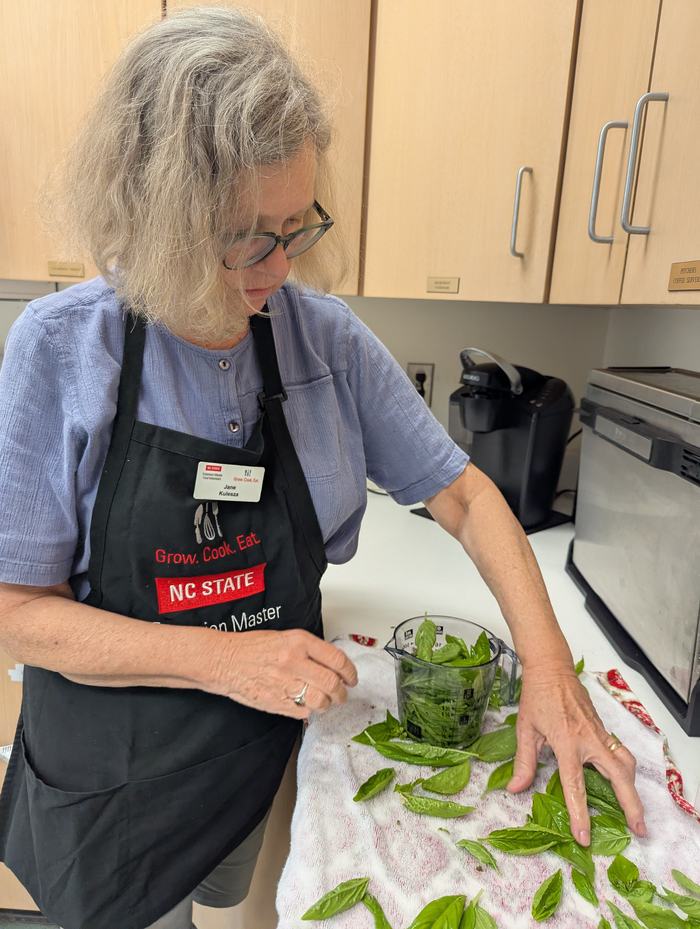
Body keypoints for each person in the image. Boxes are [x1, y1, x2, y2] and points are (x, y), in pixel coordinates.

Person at [0, 7, 645, 929]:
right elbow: (17, 616)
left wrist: (549, 668)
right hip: (118, 761)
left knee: (228, 905)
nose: (276, 266)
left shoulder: (323, 338)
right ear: (151, 215)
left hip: (265, 738)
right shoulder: (61, 349)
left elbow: (465, 494)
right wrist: (226, 660)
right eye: (240, 236)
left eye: (294, 227)